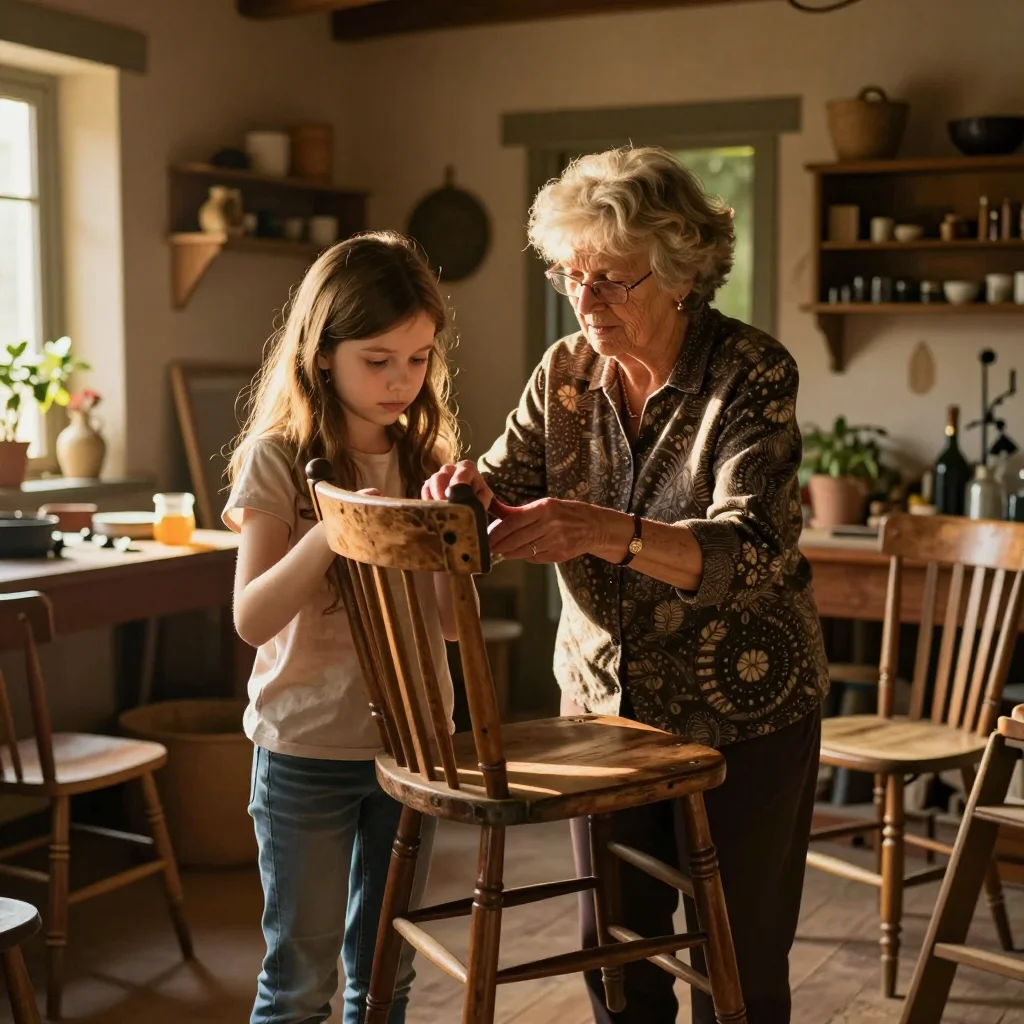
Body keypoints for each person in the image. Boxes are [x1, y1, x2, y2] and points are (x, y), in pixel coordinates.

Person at [423, 146, 829, 1024]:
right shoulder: (564, 373)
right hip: (608, 707)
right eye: (573, 274)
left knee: (742, 967)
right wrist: (468, 491)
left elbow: (753, 547)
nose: (586, 298)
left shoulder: (752, 373)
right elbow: (501, 482)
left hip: (745, 711)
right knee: (618, 964)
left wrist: (607, 531)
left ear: (681, 274)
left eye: (611, 278)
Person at [224, 231, 462, 1024]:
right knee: (297, 983)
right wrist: (336, 527)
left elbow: (451, 629)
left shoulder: (427, 457)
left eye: (419, 358)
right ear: (323, 353)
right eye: (378, 358)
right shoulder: (279, 461)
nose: (401, 379)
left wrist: (461, 538)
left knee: (386, 980)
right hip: (305, 749)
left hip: (415, 746)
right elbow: (253, 617)